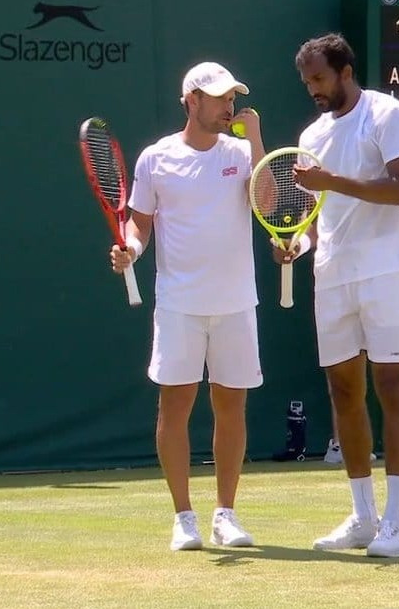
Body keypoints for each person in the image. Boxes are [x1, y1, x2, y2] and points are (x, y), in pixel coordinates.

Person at [109, 62, 266, 551]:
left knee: (231, 408)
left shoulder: (241, 152)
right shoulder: (155, 158)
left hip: (236, 302)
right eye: (219, 98)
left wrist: (256, 135)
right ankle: (184, 517)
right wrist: (130, 250)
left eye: (233, 98)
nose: (229, 106)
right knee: (174, 409)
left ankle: (226, 514)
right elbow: (139, 224)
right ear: (192, 100)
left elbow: (267, 201)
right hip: (179, 303)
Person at [280, 33, 399, 558]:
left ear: (343, 71)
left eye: (318, 78)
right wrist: (295, 243)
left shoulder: (388, 115)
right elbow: (314, 219)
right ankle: (363, 517)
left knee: (391, 386)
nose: (312, 89)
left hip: (385, 269)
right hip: (332, 273)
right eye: (306, 81)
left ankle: (397, 524)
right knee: (343, 392)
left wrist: (330, 180)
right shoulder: (311, 134)